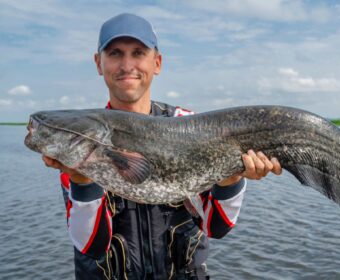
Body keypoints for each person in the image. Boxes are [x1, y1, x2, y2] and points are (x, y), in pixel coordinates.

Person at [43, 13, 282, 280]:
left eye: (138, 53)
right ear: (99, 63)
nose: (127, 64)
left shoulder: (189, 125)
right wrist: (82, 179)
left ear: (157, 63)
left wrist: (232, 178)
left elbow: (215, 226)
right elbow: (92, 245)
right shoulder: (83, 139)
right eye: (115, 53)